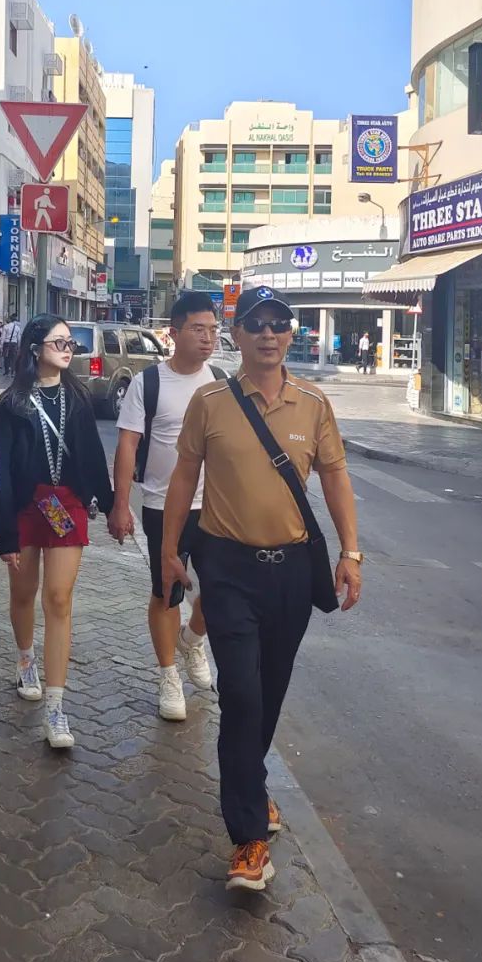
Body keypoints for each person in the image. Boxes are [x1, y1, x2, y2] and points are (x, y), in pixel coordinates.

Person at [161, 286, 363, 894]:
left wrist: (351, 553)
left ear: (290, 334)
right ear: (238, 335)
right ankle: (248, 838)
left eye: (279, 324)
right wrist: (170, 552)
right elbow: (184, 477)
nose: (268, 334)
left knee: (269, 692)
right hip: (226, 567)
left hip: (292, 571)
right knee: (241, 694)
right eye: (256, 324)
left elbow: (335, 477)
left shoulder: (314, 404)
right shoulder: (210, 401)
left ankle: (253, 786)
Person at [0, 315, 116, 749]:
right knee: (23, 592)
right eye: (58, 342)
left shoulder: (77, 397)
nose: (67, 349)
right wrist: (6, 533)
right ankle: (26, 660)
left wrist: (112, 505)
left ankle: (56, 707)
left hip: (67, 504)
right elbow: (1, 471)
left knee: (59, 599)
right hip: (25, 506)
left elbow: (93, 455)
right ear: (34, 347)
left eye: (70, 343)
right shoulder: (11, 404)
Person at [110, 291, 216, 721]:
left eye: (213, 330)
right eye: (198, 329)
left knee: (220, 590)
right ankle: (168, 673)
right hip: (161, 505)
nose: (207, 338)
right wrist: (121, 505)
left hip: (215, 506)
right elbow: (127, 445)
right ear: (173, 333)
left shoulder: (221, 381)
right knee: (166, 593)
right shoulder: (148, 383)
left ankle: (192, 640)